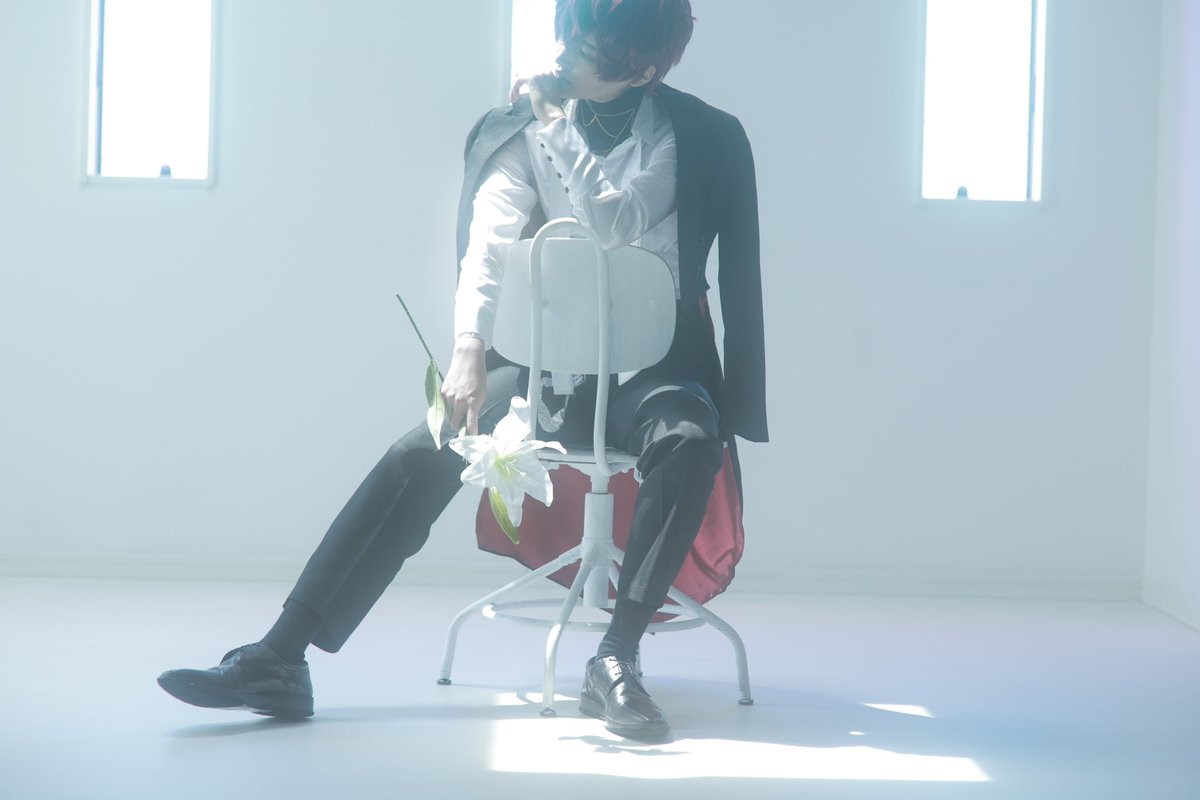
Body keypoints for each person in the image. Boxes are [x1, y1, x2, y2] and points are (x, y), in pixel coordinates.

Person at [157, 0, 766, 742]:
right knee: (418, 453)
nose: (567, 51)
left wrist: (554, 124)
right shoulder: (516, 128)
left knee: (690, 440)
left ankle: (616, 657)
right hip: (546, 369)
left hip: (656, 365)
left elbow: (616, 222)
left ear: (641, 69)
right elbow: (489, 236)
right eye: (569, 31)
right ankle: (281, 657)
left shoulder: (686, 137)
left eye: (590, 45)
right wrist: (470, 346)